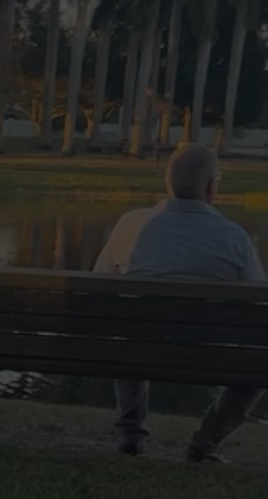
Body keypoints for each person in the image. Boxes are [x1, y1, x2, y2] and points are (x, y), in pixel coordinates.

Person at [93, 143, 266, 462]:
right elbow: (260, 303)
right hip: (208, 355)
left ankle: (130, 434)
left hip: (137, 349)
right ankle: (206, 442)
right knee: (259, 362)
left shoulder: (131, 224)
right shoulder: (234, 238)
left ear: (167, 183)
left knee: (130, 330)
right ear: (212, 187)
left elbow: (99, 283)